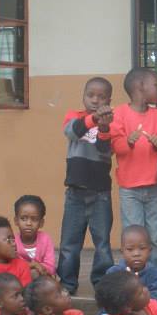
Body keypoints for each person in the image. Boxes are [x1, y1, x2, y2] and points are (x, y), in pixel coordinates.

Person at [58, 77, 115, 293]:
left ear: (109, 100)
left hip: (100, 193)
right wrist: (93, 119)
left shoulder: (111, 121)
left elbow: (105, 150)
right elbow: (72, 132)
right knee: (69, 243)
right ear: (83, 97)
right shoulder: (74, 116)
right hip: (75, 193)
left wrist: (104, 126)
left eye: (101, 97)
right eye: (90, 95)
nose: (95, 100)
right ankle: (67, 283)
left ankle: (102, 283)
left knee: (102, 243)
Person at [110, 68, 157, 266]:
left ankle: (154, 277)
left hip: (155, 186)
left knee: (155, 236)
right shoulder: (119, 113)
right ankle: (134, 278)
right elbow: (115, 146)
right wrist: (128, 142)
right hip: (130, 189)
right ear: (140, 87)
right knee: (133, 235)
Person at [105, 225, 157, 307]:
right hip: (119, 313)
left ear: (149, 250)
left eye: (142, 248)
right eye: (130, 249)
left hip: (146, 313)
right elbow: (106, 298)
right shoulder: (113, 273)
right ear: (122, 251)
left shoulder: (155, 274)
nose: (136, 254)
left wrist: (139, 294)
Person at [13, 195, 56, 278]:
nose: (28, 223)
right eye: (23, 218)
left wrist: (38, 267)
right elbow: (12, 265)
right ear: (16, 221)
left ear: (41, 223)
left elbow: (51, 267)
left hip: (42, 277)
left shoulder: (45, 239)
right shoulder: (13, 240)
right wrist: (32, 265)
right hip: (19, 277)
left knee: (35, 274)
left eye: (34, 219)